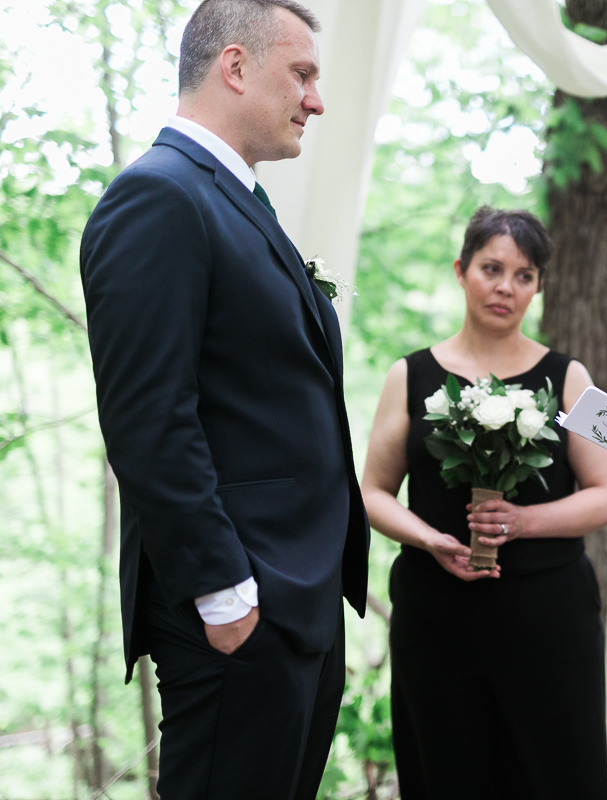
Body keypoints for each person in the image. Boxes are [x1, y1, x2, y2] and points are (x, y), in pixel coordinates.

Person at [78, 1, 367, 797]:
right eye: (302, 74)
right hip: (239, 608)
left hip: (292, 603)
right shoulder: (159, 197)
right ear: (235, 67)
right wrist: (226, 592)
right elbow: (147, 418)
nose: (316, 99)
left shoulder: (234, 198)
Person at [360, 206, 607, 800]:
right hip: (437, 616)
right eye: (492, 268)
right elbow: (372, 493)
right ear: (461, 270)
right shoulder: (410, 374)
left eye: (524, 275)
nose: (506, 287)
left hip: (549, 617)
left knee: (558, 774)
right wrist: (428, 538)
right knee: (448, 773)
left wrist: (525, 521)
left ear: (538, 287)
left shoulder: (571, 376)